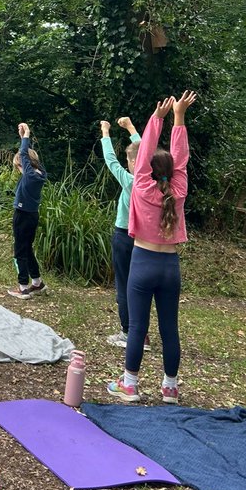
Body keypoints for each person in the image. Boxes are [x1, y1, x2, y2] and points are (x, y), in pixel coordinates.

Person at [107, 90, 197, 404]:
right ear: (172, 172)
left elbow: (143, 152)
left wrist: (158, 118)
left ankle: (129, 385)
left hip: (143, 263)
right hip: (170, 267)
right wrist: (179, 117)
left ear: (147, 169)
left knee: (137, 327)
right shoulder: (179, 188)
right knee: (170, 328)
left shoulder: (141, 185)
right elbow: (181, 158)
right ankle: (170, 388)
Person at [99, 116, 142, 347]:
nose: (126, 163)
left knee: (124, 285)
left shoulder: (132, 182)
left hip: (124, 237)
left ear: (135, 162)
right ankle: (140, 331)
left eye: (129, 159)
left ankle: (128, 333)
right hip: (145, 241)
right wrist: (131, 128)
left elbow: (110, 161)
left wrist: (105, 133)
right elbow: (145, 151)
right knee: (139, 287)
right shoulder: (153, 181)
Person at [7, 123, 48, 299]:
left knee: (20, 251)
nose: (19, 169)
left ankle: (23, 287)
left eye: (19, 166)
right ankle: (37, 283)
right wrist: (22, 137)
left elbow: (24, 155)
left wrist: (26, 135)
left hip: (22, 216)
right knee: (27, 248)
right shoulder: (41, 173)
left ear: (24, 165)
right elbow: (28, 157)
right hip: (32, 216)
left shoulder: (30, 176)